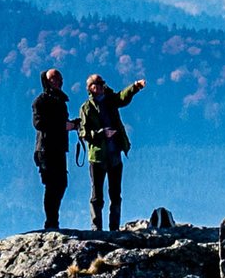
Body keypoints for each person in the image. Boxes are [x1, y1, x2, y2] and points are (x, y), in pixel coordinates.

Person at [80, 74, 147, 231]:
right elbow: (84, 132)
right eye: (99, 83)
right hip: (97, 157)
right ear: (91, 87)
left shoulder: (110, 100)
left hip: (114, 153)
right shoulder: (86, 108)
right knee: (97, 195)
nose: (103, 85)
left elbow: (122, 98)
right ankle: (97, 229)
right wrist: (102, 134)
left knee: (115, 193)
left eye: (103, 83)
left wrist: (135, 87)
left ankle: (114, 229)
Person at [31, 69, 77, 231]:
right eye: (54, 78)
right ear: (46, 81)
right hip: (45, 149)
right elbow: (38, 123)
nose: (58, 81)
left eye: (60, 78)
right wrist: (63, 126)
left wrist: (73, 125)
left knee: (61, 184)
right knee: (52, 185)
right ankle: (51, 222)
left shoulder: (60, 101)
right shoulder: (40, 101)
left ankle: (52, 221)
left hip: (58, 149)